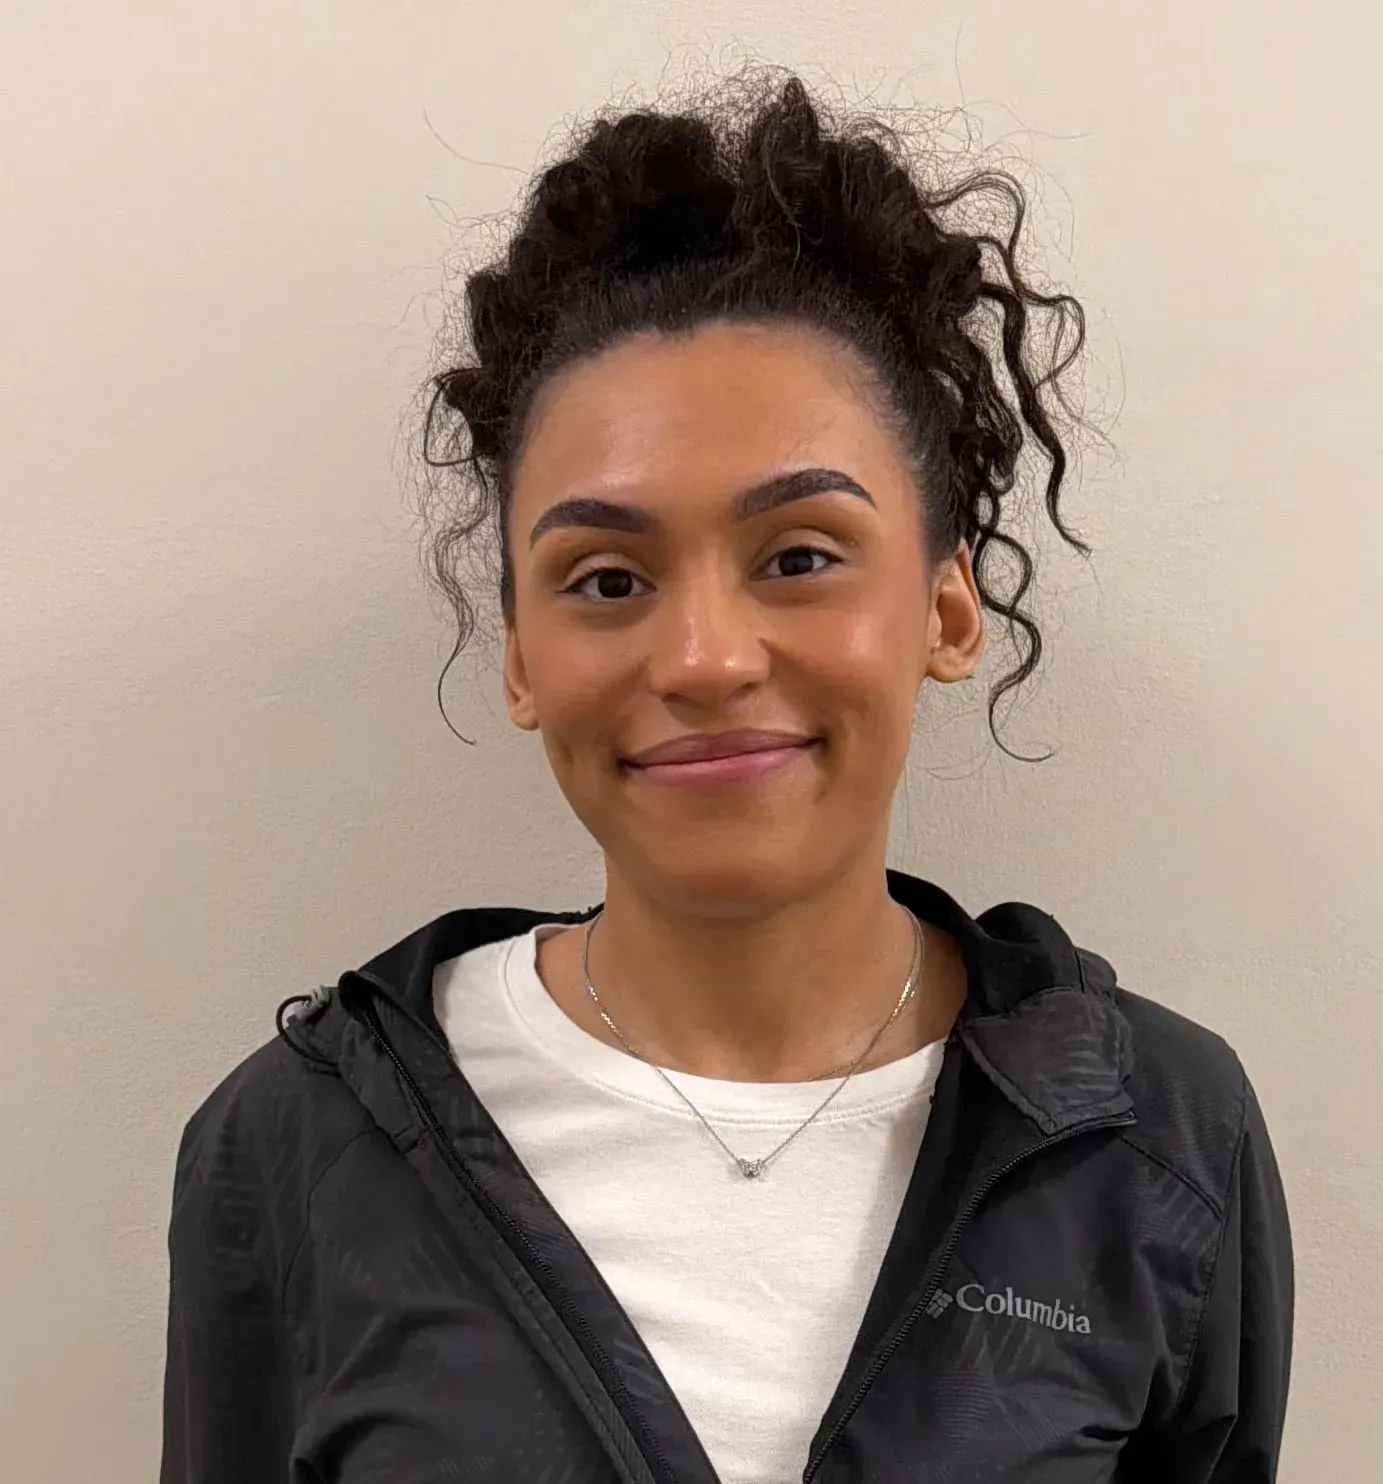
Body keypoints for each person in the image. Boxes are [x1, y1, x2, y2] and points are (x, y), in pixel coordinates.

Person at [160, 67, 1293, 1484]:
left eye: (801, 557)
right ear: (520, 654)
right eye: (608, 577)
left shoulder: (1157, 1140)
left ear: (947, 609)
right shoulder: (295, 1150)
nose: (701, 655)